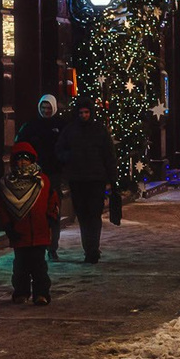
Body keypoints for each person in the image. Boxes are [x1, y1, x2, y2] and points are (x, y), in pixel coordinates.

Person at [1, 138, 57, 304]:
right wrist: (8, 225)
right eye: (19, 159)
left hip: (39, 231)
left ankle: (41, 293)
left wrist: (51, 219)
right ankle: (21, 292)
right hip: (20, 232)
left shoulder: (42, 181)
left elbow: (52, 200)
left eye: (26, 158)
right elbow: (2, 206)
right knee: (20, 267)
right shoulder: (7, 183)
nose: (22, 162)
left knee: (39, 266)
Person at [61, 99, 117, 262]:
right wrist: (69, 158)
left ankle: (93, 248)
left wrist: (112, 178)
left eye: (86, 112)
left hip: (95, 180)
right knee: (83, 216)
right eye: (81, 113)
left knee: (94, 214)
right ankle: (89, 248)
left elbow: (109, 155)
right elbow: (60, 149)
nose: (84, 116)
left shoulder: (99, 131)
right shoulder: (70, 131)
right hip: (78, 180)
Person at [20, 94, 66, 171]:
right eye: (43, 108)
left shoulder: (61, 124)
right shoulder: (31, 125)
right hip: (36, 167)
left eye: (49, 108)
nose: (46, 111)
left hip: (56, 168)